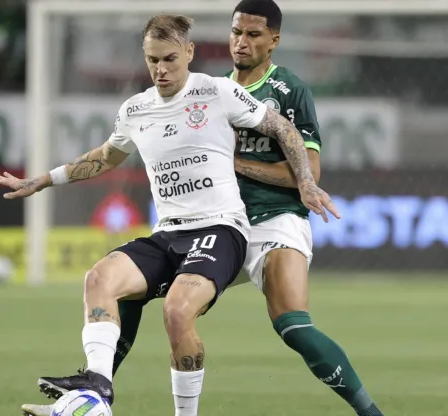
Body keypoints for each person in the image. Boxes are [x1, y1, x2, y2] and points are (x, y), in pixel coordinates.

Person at [0, 13, 338, 416]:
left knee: (177, 310)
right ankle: (97, 391)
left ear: (189, 53)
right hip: (168, 234)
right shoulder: (135, 109)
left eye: (170, 59)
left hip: (221, 231)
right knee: (99, 278)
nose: (160, 69)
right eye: (152, 60)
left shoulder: (217, 91)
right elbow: (106, 157)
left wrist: (305, 181)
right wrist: (43, 180)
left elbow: (285, 130)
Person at [110, 1, 386, 415]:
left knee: (292, 324)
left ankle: (371, 413)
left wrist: (234, 161)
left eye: (253, 34)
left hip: (277, 221)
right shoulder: (213, 90)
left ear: (274, 41)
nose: (242, 42)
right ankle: (92, 393)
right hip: (221, 226)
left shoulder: (289, 91)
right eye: (236, 32)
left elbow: (307, 171)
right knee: (131, 291)